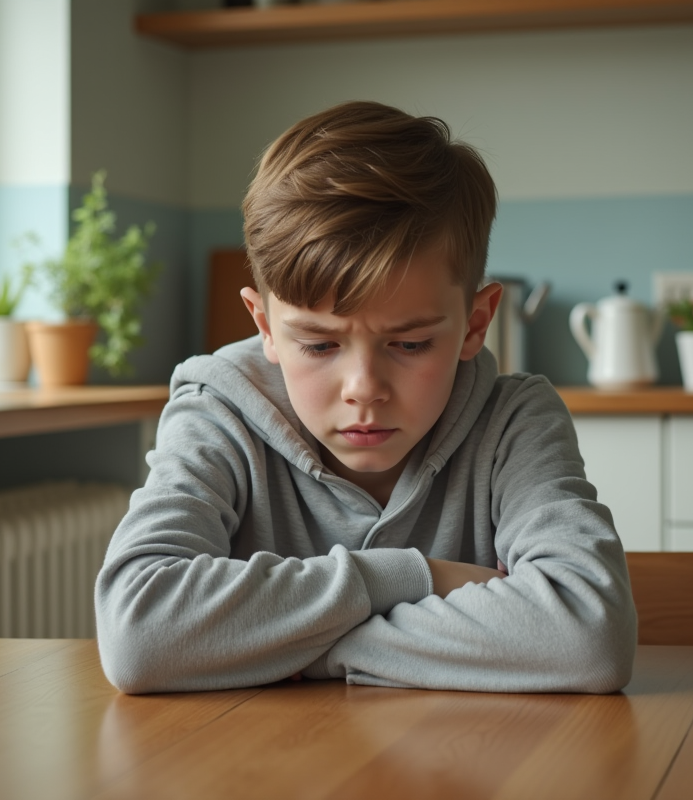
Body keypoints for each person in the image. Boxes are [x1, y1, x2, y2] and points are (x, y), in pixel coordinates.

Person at [95, 101, 636, 694]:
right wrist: (413, 577)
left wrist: (302, 648)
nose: (364, 389)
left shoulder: (514, 421)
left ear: (475, 323)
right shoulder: (218, 411)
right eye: (320, 345)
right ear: (265, 325)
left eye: (408, 343)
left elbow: (588, 634)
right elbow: (138, 634)